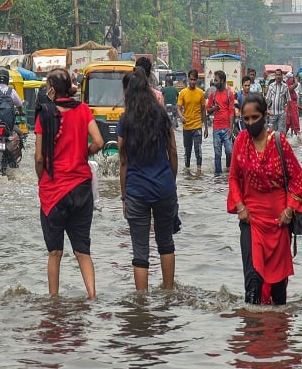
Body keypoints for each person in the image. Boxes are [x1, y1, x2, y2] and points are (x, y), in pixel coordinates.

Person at [227, 93, 302, 305]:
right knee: (252, 280)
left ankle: (278, 332)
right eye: (246, 118)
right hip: (251, 219)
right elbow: (233, 177)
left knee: (278, 285)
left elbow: (297, 180)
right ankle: (252, 331)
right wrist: (240, 207)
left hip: (279, 221)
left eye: (255, 117)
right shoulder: (241, 141)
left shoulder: (280, 142)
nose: (250, 122)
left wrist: (289, 210)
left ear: (265, 115)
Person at [34, 68, 104, 299]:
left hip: (53, 191)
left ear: (52, 90)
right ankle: (92, 296)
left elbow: (39, 158)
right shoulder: (83, 110)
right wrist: (82, 153)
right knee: (83, 251)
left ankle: (54, 302)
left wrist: (41, 178)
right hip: (82, 189)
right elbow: (99, 141)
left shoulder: (44, 114)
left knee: (55, 252)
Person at [118, 69, 178, 291]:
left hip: (136, 191)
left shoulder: (125, 120)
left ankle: (141, 305)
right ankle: (169, 294)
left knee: (140, 251)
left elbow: (123, 161)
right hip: (164, 188)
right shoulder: (163, 116)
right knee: (166, 244)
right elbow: (172, 151)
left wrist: (124, 197)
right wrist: (171, 183)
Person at [177, 69, 208, 176]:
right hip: (186, 127)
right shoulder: (183, 93)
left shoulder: (200, 93)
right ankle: (187, 169)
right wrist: (181, 117)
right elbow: (179, 108)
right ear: (188, 80)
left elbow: (204, 110)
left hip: (197, 126)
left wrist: (206, 127)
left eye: (194, 79)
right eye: (191, 79)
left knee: (197, 149)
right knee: (187, 150)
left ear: (197, 80)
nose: (193, 81)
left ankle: (199, 171)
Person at [206, 70, 235, 176]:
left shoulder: (229, 94)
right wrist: (213, 108)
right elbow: (208, 110)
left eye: (216, 80)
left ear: (222, 81)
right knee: (217, 153)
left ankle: (229, 170)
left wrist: (231, 128)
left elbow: (231, 111)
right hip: (216, 128)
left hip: (227, 127)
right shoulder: (212, 94)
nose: (214, 82)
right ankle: (218, 175)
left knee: (229, 151)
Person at [265, 69, 290, 133]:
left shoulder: (285, 87)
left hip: (282, 113)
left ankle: (280, 143)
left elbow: (288, 100)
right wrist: (267, 110)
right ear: (275, 76)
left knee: (281, 133)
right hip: (272, 113)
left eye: (279, 75)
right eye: (277, 75)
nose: (278, 76)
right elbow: (267, 99)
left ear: (282, 76)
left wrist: (288, 112)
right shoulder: (271, 86)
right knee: (272, 133)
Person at [285, 72, 301, 137]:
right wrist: (295, 77)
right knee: (290, 123)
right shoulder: (288, 87)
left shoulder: (289, 88)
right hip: (290, 107)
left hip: (293, 107)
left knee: (293, 123)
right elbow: (296, 84)